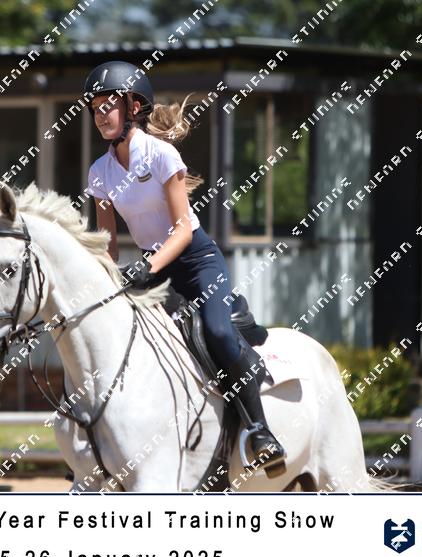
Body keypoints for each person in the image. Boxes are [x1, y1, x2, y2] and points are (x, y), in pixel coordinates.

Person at [83, 61, 286, 476]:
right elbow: (108, 243)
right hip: (153, 269)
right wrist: (102, 275)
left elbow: (181, 230)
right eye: (95, 107)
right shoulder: (99, 173)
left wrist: (147, 266)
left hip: (195, 261)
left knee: (217, 333)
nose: (100, 114)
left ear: (134, 107)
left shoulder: (161, 155)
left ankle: (260, 430)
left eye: (108, 105)